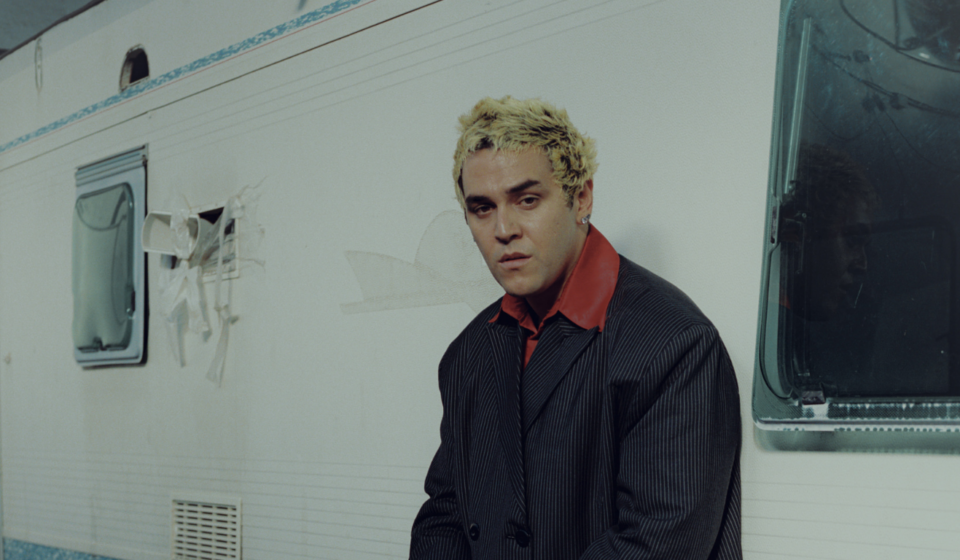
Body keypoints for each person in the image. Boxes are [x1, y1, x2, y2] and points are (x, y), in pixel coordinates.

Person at [410, 96, 741, 559]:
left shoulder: (674, 343)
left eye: (527, 199)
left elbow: (657, 543)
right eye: (482, 208)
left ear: (581, 196)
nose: (504, 229)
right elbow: (445, 516)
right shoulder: (468, 353)